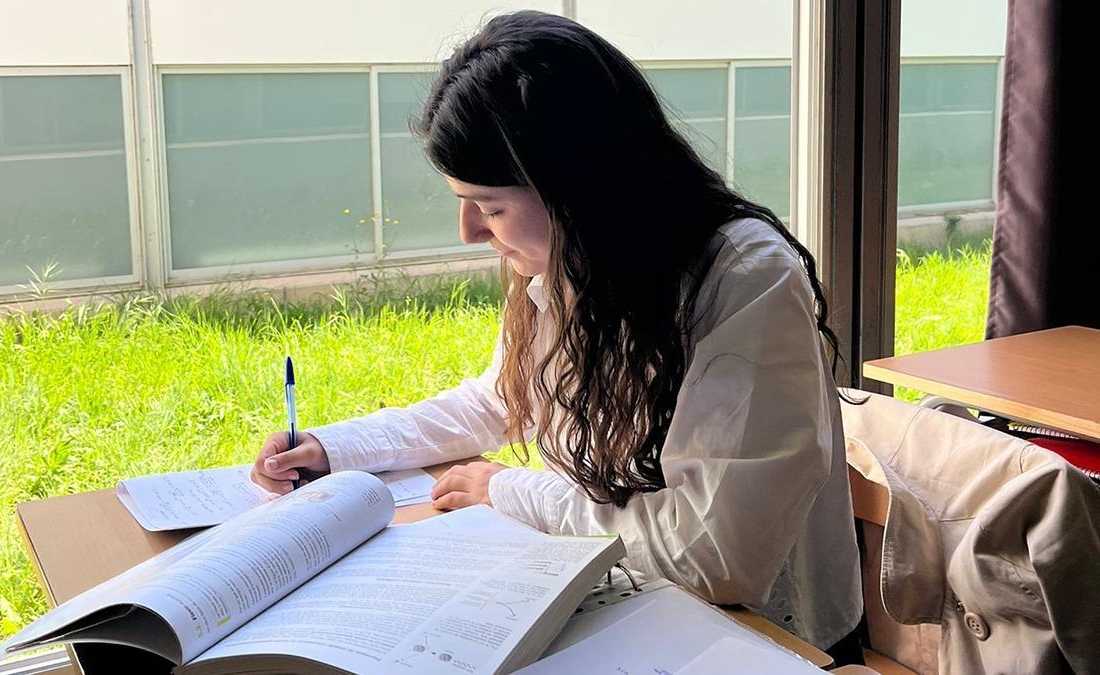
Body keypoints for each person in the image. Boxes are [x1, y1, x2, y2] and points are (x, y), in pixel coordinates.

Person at [251, 10, 864, 663]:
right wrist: (336, 447)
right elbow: (503, 398)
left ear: (580, 187)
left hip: (757, 638)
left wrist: (507, 490)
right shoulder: (574, 262)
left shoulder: (743, 279)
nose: (469, 232)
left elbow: (713, 557)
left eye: (490, 206)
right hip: (620, 597)